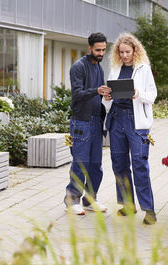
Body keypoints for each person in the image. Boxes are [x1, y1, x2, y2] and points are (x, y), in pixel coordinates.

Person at [103, 33, 157, 224]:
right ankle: (128, 205)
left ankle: (149, 210)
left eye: (128, 51)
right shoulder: (115, 69)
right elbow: (107, 97)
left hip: (136, 123)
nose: (125, 55)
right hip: (116, 119)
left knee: (140, 164)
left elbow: (151, 96)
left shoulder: (143, 69)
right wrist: (106, 97)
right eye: (121, 52)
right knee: (119, 164)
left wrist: (137, 93)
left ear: (135, 50)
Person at [64, 32, 111, 215]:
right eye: (98, 49)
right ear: (89, 48)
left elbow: (96, 94)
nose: (101, 53)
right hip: (81, 122)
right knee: (80, 163)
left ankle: (90, 200)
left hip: (96, 121)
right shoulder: (78, 67)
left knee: (96, 165)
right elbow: (77, 95)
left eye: (103, 50)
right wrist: (96, 90)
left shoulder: (99, 68)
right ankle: (72, 200)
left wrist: (105, 94)